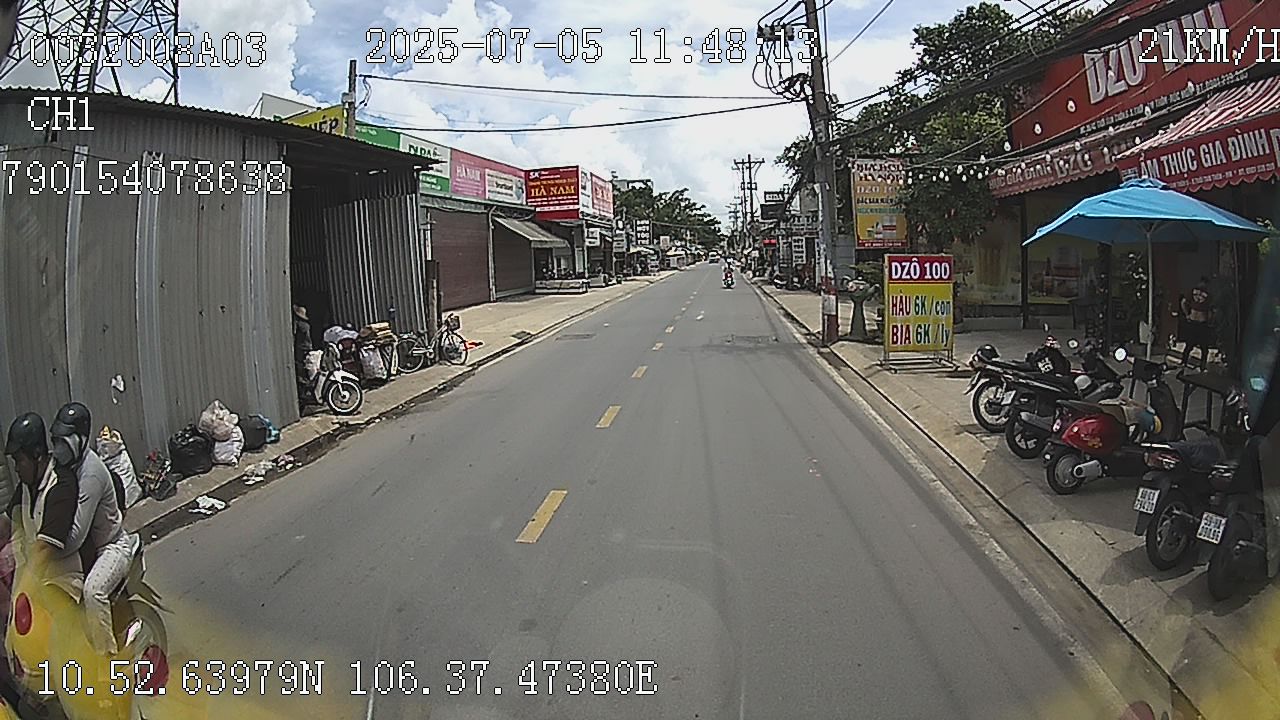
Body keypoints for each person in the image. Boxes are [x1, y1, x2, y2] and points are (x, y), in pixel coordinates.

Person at [45, 402, 134, 655]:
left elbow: (75, 536)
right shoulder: (66, 466)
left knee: (93, 592)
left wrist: (45, 552)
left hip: (111, 547)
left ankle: (107, 659)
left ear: (81, 440)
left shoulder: (90, 474)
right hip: (89, 549)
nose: (59, 448)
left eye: (65, 441)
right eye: (56, 440)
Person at [1179, 279, 1213, 370]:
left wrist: (1209, 320)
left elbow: (1210, 310)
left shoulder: (1209, 295)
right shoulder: (1192, 292)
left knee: (1204, 346)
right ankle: (1184, 362)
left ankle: (1202, 365)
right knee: (1189, 344)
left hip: (1202, 323)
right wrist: (1187, 314)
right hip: (1193, 321)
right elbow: (1183, 302)